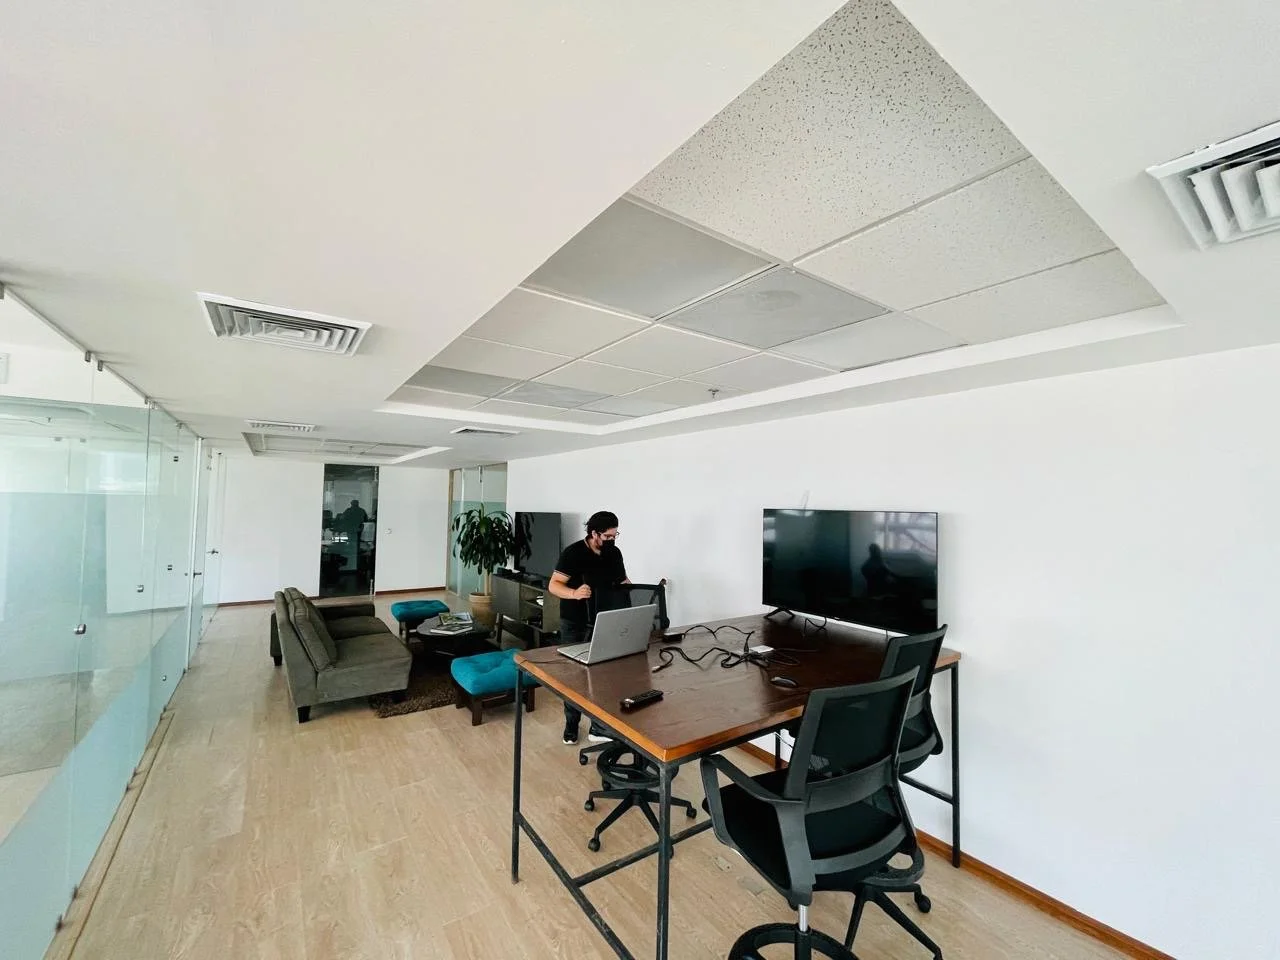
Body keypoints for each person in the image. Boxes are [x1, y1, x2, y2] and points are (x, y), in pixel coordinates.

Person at [547, 511, 629, 744]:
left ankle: (598, 727)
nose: (612, 540)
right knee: (574, 677)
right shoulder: (573, 553)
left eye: (615, 535)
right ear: (594, 533)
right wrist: (574, 593)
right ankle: (571, 726)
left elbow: (623, 581)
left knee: (600, 675)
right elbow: (554, 585)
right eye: (608, 535)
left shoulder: (613, 553)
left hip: (603, 620)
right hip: (575, 620)